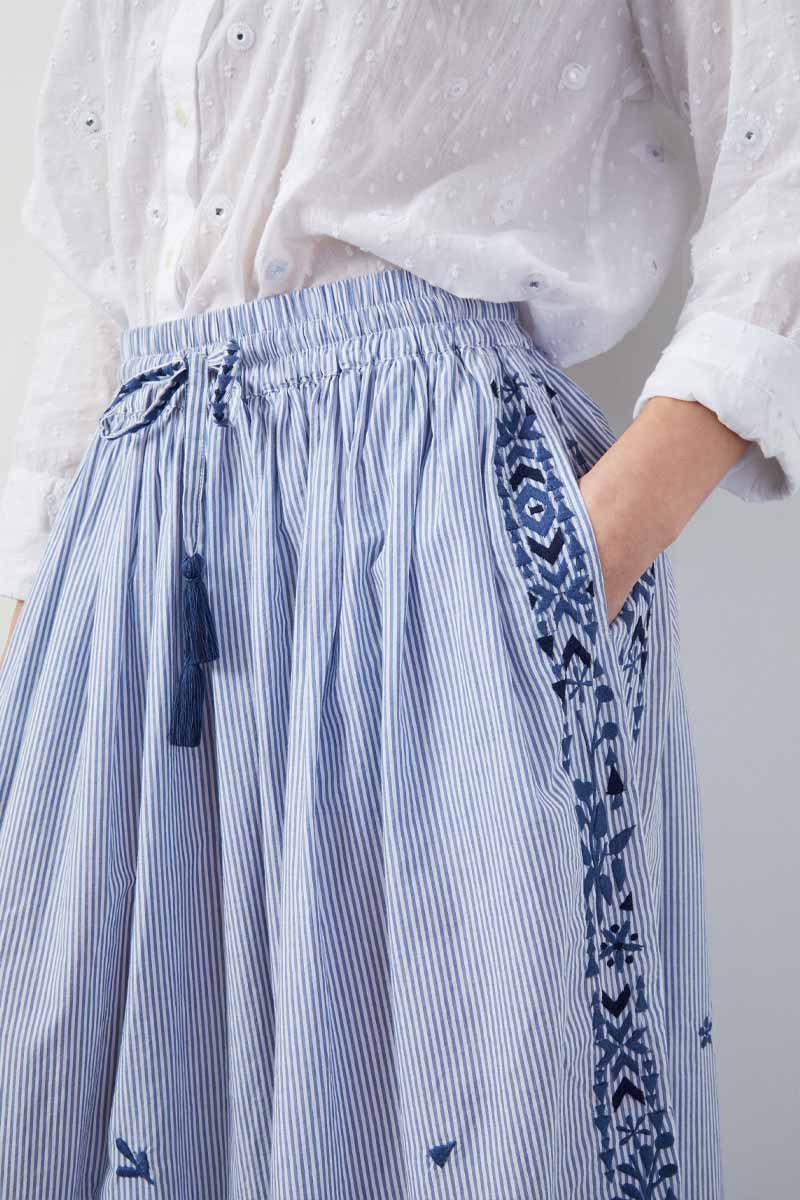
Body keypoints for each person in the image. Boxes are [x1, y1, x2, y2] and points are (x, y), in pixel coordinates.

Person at [0, 3, 796, 1197]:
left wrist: (579, 558)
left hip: (426, 532)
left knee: (456, 1120)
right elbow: (100, 271)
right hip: (129, 554)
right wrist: (30, 629)